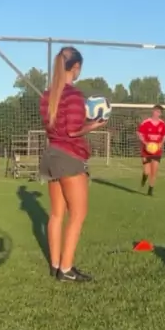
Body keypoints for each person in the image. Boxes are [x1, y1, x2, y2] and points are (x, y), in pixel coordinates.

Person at [39, 46, 106, 282]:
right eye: (79, 68)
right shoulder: (75, 95)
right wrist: (93, 125)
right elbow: (73, 130)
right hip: (69, 157)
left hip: (51, 155)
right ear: (75, 67)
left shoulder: (47, 95)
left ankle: (55, 265)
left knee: (57, 214)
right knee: (78, 214)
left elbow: (55, 128)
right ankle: (66, 269)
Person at [137, 105, 165, 196]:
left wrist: (161, 143)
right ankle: (144, 178)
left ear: (160, 114)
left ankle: (150, 191)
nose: (157, 113)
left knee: (154, 172)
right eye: (156, 111)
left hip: (157, 151)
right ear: (153, 111)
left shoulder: (162, 124)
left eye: (159, 112)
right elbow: (139, 133)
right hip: (146, 151)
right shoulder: (146, 123)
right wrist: (145, 142)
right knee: (147, 171)